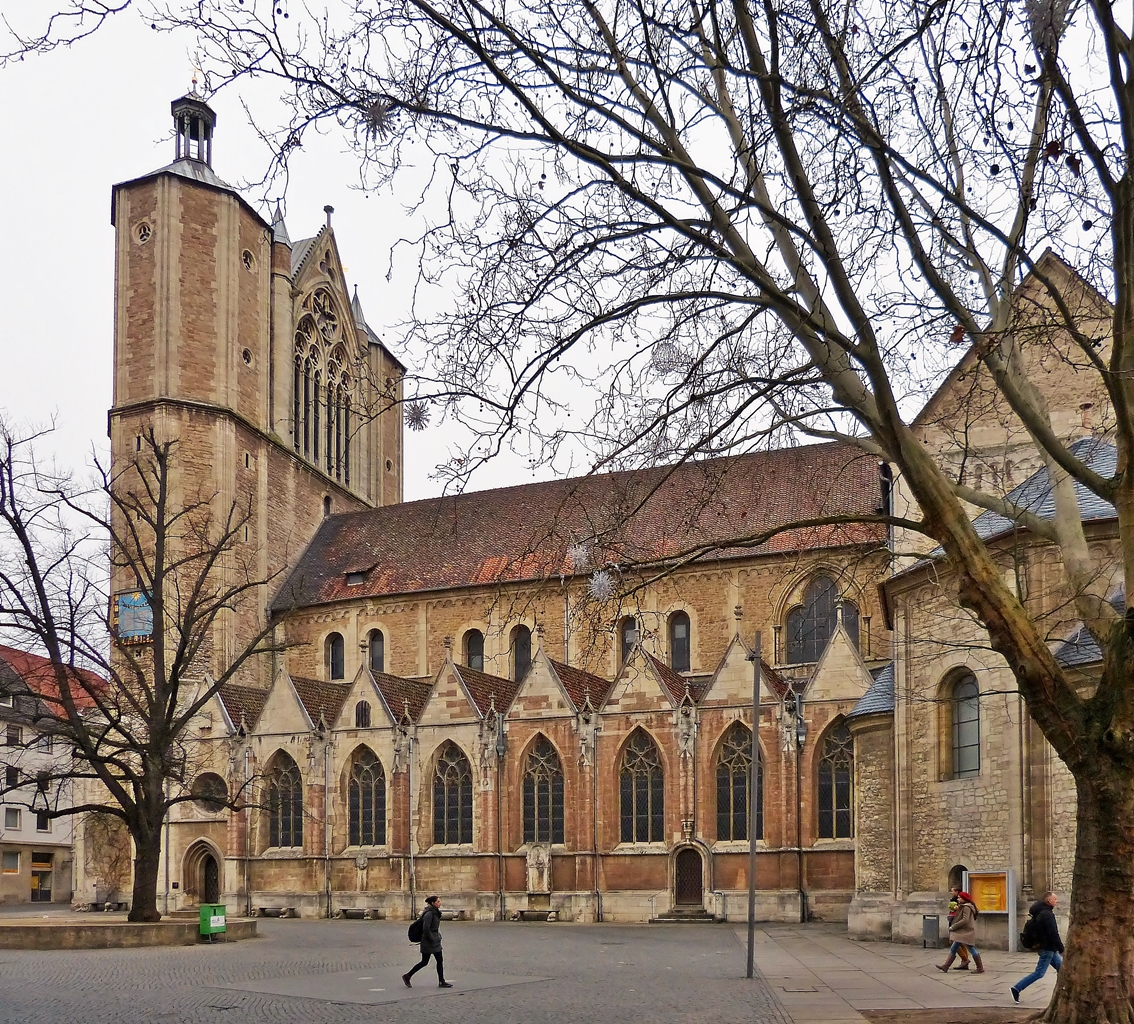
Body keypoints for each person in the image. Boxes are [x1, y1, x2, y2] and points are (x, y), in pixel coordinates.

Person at [1012, 892, 1063, 1003]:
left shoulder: (1039, 912)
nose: (1056, 901)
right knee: (1039, 973)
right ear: (1049, 900)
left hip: (1048, 948)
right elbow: (1053, 933)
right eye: (1055, 899)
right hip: (1048, 948)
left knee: (1063, 969)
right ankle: (1017, 988)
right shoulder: (1047, 914)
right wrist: (1062, 948)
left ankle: (1064, 993)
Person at [402, 895, 453, 988]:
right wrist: (432, 939)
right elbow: (426, 928)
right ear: (433, 903)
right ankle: (407, 975)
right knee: (424, 962)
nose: (439, 903)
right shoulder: (429, 913)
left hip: (434, 940)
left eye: (439, 901)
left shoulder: (435, 912)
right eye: (438, 901)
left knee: (439, 960)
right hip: (428, 941)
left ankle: (442, 981)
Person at [936, 890, 984, 974]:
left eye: (959, 897)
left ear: (964, 899)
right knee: (954, 947)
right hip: (963, 932)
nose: (958, 899)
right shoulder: (964, 906)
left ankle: (980, 967)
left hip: (965, 932)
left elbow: (965, 920)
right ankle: (946, 966)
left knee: (971, 948)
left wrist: (953, 927)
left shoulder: (966, 907)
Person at [946, 886, 972, 970]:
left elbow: (964, 918)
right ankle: (963, 962)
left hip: (957, 925)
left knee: (953, 942)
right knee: (958, 943)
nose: (951, 892)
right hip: (954, 923)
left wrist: (954, 925)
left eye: (952, 891)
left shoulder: (965, 906)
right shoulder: (955, 901)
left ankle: (965, 960)